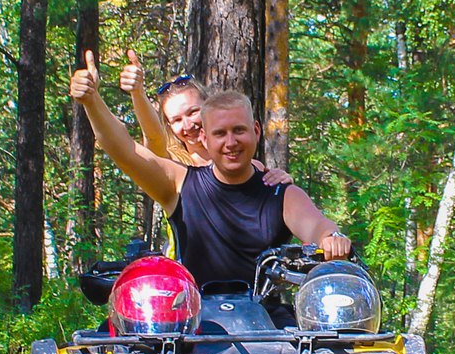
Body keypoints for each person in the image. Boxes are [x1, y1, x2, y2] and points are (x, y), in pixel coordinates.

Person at [69, 53, 350, 291]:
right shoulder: (179, 183)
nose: (230, 142)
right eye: (220, 134)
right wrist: (92, 103)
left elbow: (317, 226)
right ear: (205, 138)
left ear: (255, 131)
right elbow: (126, 151)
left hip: (267, 324)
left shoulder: (279, 191)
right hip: (187, 321)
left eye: (239, 130)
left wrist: (332, 240)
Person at [115, 50, 291, 184]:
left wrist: (281, 182)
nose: (188, 124)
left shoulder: (252, 165)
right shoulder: (174, 164)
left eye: (192, 112)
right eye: (176, 120)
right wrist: (137, 93)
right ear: (169, 126)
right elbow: (154, 139)